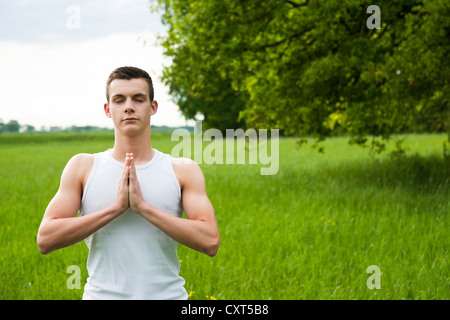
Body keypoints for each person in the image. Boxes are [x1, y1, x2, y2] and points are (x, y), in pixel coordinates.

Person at [37, 66, 220, 300]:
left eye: (139, 99)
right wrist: (115, 209)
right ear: (107, 109)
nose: (129, 106)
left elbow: (210, 241)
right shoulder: (82, 167)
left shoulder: (183, 170)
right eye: (119, 100)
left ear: (153, 107)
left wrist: (143, 208)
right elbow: (46, 239)